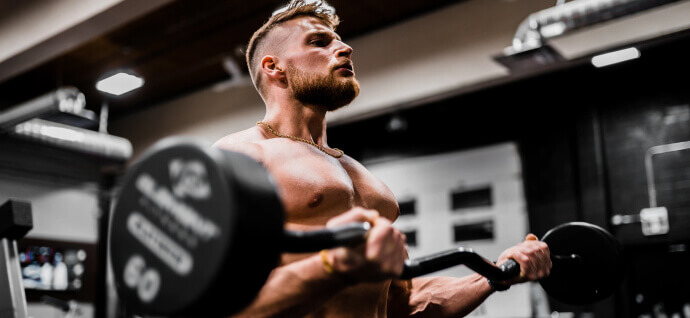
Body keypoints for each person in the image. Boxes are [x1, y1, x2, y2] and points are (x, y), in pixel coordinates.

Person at [214, 1, 552, 317]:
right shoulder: (240, 156)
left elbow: (403, 301)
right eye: (319, 42)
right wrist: (333, 266)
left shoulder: (358, 175)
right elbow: (219, 302)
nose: (345, 49)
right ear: (274, 67)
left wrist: (495, 274)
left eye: (340, 41)